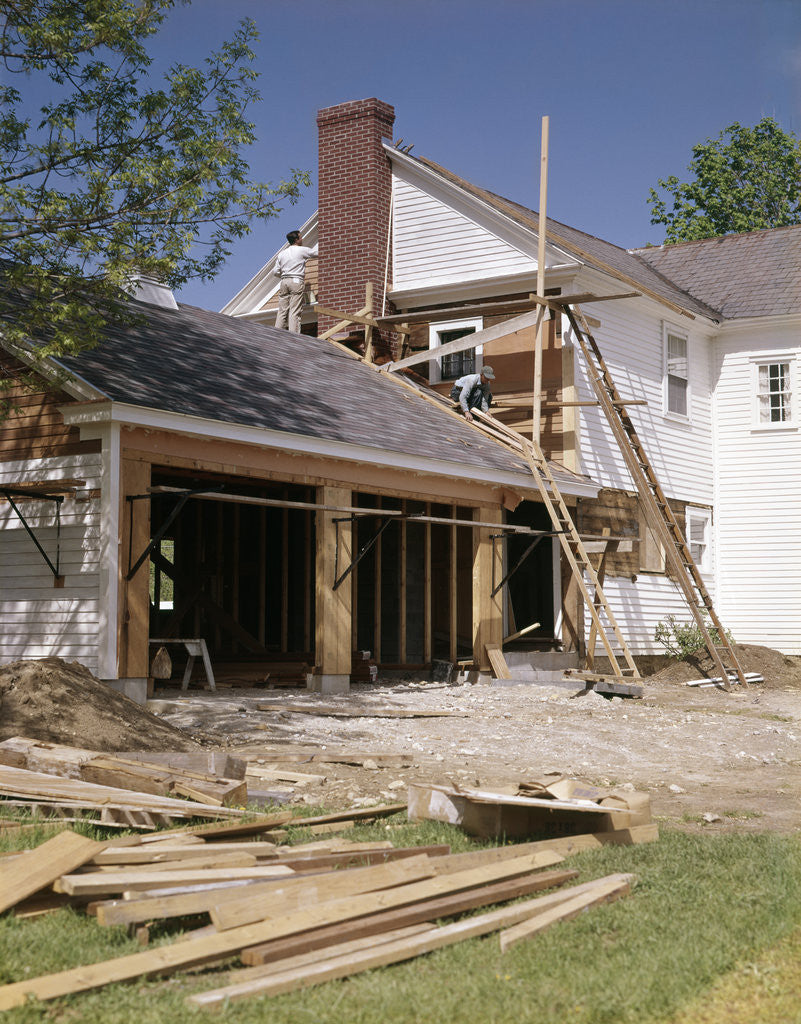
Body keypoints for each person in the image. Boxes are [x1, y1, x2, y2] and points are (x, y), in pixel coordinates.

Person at [275, 230, 318, 334]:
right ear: (296, 240)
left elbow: (275, 272)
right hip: (296, 281)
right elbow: (317, 253)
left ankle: (276, 333)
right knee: (294, 311)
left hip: (284, 282)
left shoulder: (282, 254)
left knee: (282, 311)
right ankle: (293, 336)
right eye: (300, 237)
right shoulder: (301, 250)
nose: (302, 239)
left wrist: (285, 275)